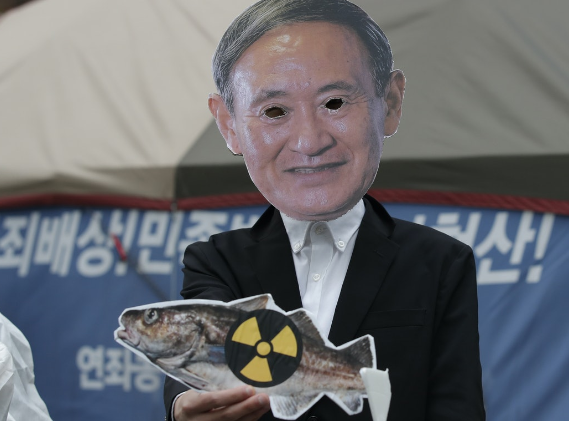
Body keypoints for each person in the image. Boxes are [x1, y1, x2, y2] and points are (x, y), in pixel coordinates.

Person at [164, 0, 485, 420]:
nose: (310, 141)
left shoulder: (441, 261)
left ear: (390, 102)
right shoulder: (216, 262)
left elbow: (457, 407)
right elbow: (197, 347)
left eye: (334, 103)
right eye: (274, 111)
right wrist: (183, 405)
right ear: (229, 125)